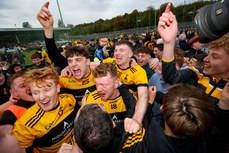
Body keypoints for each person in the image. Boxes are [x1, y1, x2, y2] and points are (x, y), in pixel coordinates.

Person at [159, 3, 229, 103]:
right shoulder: (199, 74)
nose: (205, 59)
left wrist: (224, 105)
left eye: (215, 56)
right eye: (209, 53)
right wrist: (169, 42)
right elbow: (170, 77)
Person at [120, 83, 216, 153]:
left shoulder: (144, 141)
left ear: (162, 108)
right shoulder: (207, 141)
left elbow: (138, 118)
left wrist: (122, 87)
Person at [37, 2, 96, 105]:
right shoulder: (65, 76)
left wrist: (133, 60)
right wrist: (48, 29)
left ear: (87, 61)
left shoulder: (99, 72)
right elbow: (54, 55)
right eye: (70, 61)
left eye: (78, 59)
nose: (73, 64)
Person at [13, 66, 80, 153]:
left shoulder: (69, 99)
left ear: (58, 88)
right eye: (36, 92)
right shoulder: (25, 126)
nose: (42, 97)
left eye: (47, 90)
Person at [85, 63, 137, 153]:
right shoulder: (92, 99)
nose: (98, 89)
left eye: (103, 85)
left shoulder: (130, 97)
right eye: (96, 84)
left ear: (116, 83)